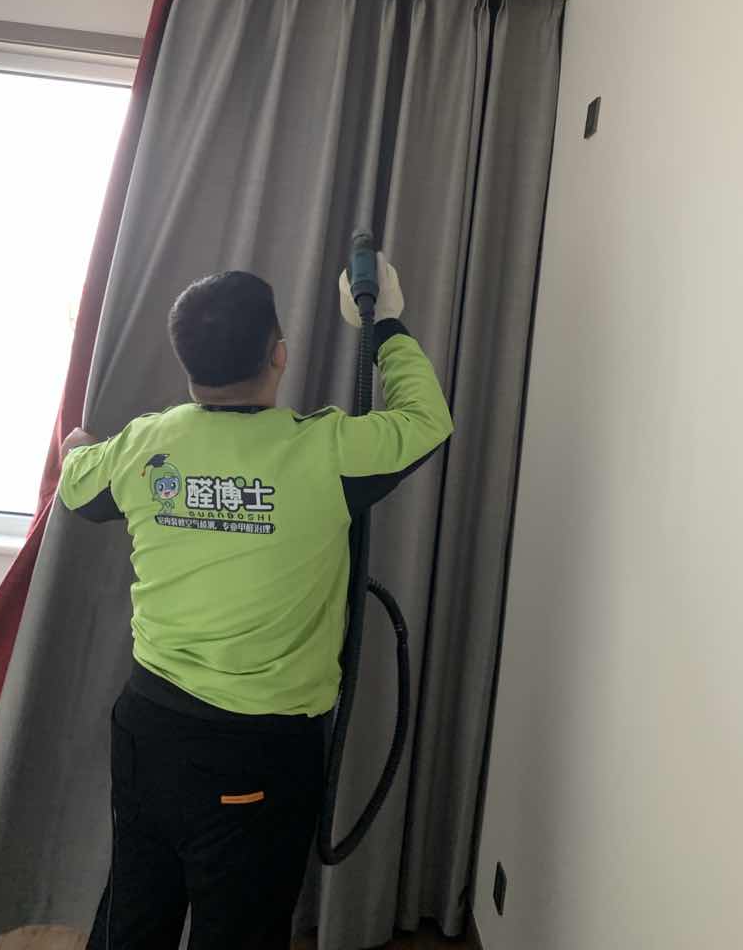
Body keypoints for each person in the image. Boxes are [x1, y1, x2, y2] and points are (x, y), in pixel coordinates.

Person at [58, 256, 453, 950]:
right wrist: (386, 324)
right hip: (259, 756)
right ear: (279, 354)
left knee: (135, 918)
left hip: (150, 731)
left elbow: (76, 479)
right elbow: (425, 421)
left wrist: (81, 445)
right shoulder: (329, 450)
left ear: (187, 361)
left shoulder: (144, 444)